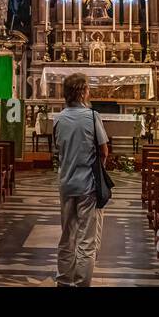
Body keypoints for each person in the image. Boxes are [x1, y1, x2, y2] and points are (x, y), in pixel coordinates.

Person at [53, 73, 109, 287]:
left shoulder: (58, 119)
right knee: (87, 239)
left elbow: (57, 150)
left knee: (67, 235)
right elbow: (104, 150)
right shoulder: (92, 116)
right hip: (88, 185)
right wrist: (99, 171)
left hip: (66, 184)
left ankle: (64, 280)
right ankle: (81, 283)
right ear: (83, 92)